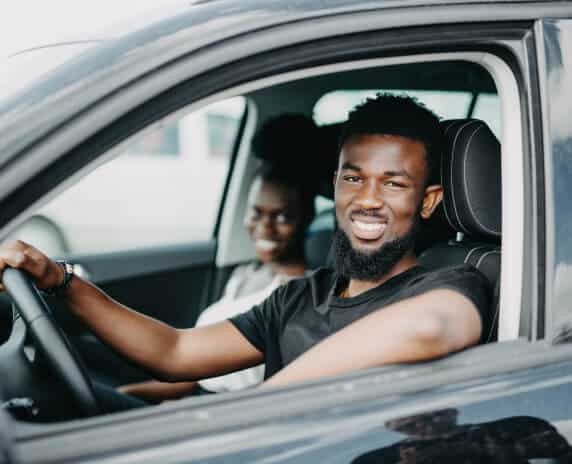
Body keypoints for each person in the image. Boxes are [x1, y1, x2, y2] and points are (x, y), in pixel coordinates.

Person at [0, 94, 491, 402]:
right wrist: (60, 280)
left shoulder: (452, 283)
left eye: (393, 184)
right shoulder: (300, 296)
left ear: (428, 202)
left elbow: (429, 328)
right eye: (353, 177)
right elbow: (175, 351)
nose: (366, 200)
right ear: (335, 184)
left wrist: (256, 408)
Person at [119, 157, 317, 400]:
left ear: (307, 217)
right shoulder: (244, 274)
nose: (265, 228)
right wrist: (128, 393)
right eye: (256, 213)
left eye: (283, 217)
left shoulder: (299, 297)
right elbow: (195, 375)